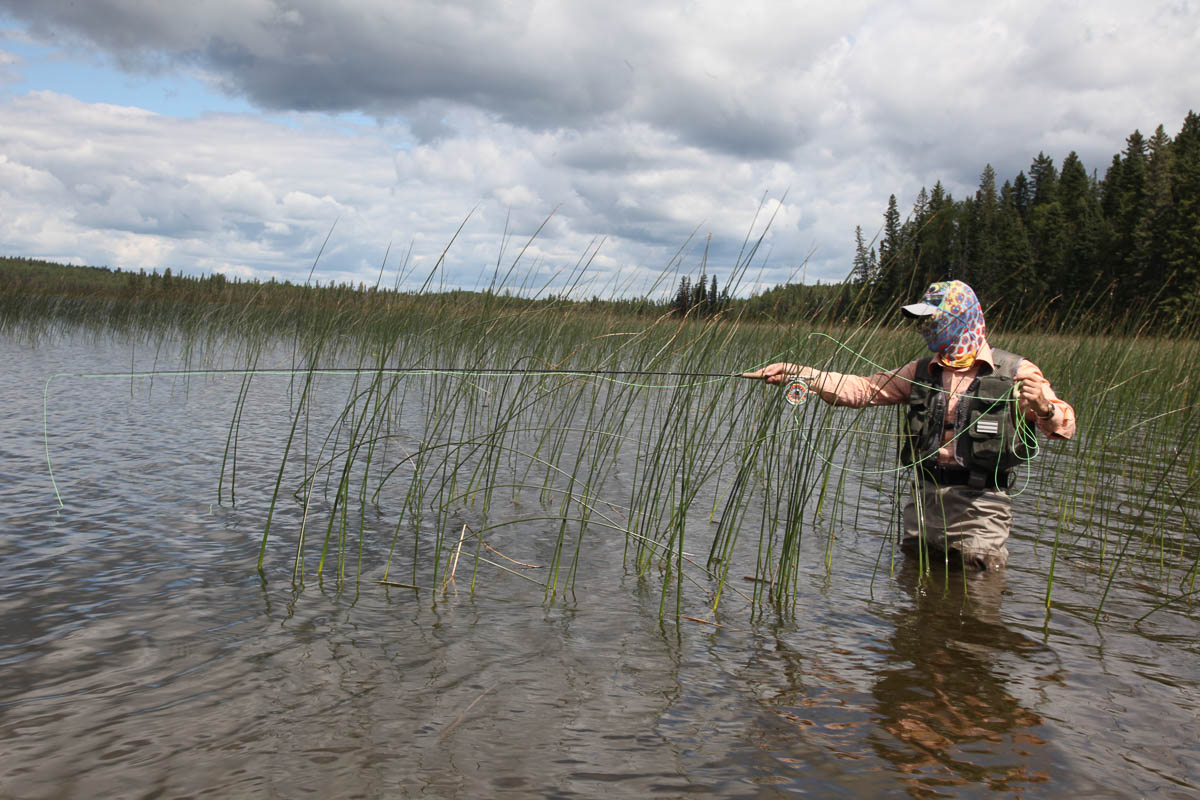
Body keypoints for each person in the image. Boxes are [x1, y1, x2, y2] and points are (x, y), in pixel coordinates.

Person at [744, 280, 1075, 570]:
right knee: (916, 586)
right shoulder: (920, 371)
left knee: (977, 595)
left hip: (982, 506)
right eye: (921, 321)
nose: (924, 327)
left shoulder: (1015, 371)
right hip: (924, 501)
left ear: (959, 318)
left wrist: (1043, 408)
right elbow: (863, 389)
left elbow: (1064, 427)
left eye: (932, 320)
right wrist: (801, 374)